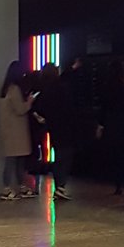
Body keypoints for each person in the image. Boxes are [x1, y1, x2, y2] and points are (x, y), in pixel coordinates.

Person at [33, 63, 77, 200]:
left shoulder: (44, 91)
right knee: (66, 156)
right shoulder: (62, 89)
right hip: (66, 126)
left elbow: (38, 108)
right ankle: (60, 186)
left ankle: (59, 186)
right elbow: (70, 107)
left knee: (58, 155)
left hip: (53, 126)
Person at [0, 61, 37, 200]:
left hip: (10, 131)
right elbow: (20, 109)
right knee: (15, 160)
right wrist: (29, 102)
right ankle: (11, 188)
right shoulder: (14, 89)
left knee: (13, 159)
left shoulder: (5, 89)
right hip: (17, 132)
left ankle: (14, 187)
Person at [97, 60, 124, 195]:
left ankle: (118, 184)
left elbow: (103, 108)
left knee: (114, 155)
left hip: (111, 123)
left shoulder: (106, 87)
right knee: (123, 154)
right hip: (123, 123)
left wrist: (100, 125)